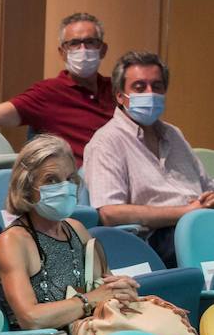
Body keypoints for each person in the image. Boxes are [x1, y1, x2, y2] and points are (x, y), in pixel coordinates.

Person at [0, 135, 139, 335]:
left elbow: (104, 285)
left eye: (69, 178)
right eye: (51, 180)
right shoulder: (13, 242)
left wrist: (120, 289)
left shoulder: (77, 230)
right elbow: (31, 318)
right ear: (27, 187)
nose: (64, 187)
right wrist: (89, 300)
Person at [0, 12, 115, 163]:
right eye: (74, 43)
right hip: (76, 186)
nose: (82, 50)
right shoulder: (48, 93)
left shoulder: (118, 91)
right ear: (62, 52)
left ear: (103, 49)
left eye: (90, 42)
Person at [83, 51, 214, 267]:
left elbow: (206, 185)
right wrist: (184, 213)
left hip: (200, 226)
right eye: (139, 87)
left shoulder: (174, 134)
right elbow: (110, 213)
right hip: (156, 240)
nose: (150, 93)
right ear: (119, 95)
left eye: (157, 86)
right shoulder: (106, 142)